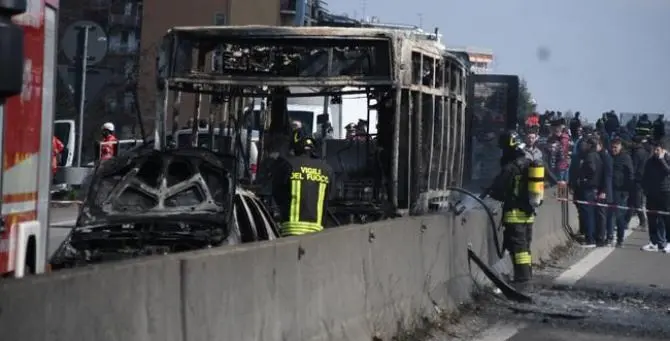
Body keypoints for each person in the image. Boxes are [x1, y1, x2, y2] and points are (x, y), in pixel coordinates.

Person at [487, 131, 541, 288]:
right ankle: (525, 276)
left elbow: (498, 190)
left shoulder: (510, 168)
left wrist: (490, 192)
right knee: (525, 249)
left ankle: (522, 280)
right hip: (528, 215)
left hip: (514, 215)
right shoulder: (528, 163)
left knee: (519, 249)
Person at [272, 135, 333, 237]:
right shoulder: (327, 169)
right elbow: (331, 196)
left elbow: (276, 192)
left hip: (291, 230)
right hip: (317, 231)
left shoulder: (287, 164)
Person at [640, 139, 670, 252]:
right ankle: (653, 242)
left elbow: (668, 171)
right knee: (652, 217)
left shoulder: (667, 159)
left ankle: (668, 242)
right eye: (654, 149)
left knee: (666, 218)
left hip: (666, 192)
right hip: (652, 193)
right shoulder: (650, 161)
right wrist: (645, 189)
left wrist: (662, 160)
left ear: (663, 150)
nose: (655, 152)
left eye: (657, 150)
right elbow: (645, 175)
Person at [575, 137, 603, 247]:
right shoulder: (596, 155)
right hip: (593, 188)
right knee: (591, 214)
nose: (584, 146)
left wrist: (585, 179)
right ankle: (592, 237)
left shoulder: (590, 156)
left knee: (588, 214)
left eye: (586, 143)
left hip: (588, 188)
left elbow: (592, 169)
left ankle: (590, 239)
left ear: (591, 145)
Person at [608, 138, 633, 247]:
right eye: (612, 147)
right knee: (609, 214)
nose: (613, 149)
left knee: (619, 216)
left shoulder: (625, 158)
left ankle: (620, 239)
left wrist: (627, 190)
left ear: (620, 146)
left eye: (615, 147)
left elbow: (630, 174)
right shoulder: (609, 156)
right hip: (610, 189)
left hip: (621, 191)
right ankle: (609, 237)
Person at [626, 136, 649, 230]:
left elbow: (633, 167)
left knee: (636, 202)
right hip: (642, 179)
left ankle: (643, 222)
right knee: (631, 202)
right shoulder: (645, 152)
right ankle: (625, 221)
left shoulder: (636, 153)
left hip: (636, 180)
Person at [595, 137, 613, 246]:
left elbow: (607, 176)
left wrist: (604, 190)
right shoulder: (601, 155)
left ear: (600, 145)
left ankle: (602, 237)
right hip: (601, 189)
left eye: (595, 145)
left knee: (602, 215)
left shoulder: (605, 157)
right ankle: (601, 236)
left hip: (604, 191)